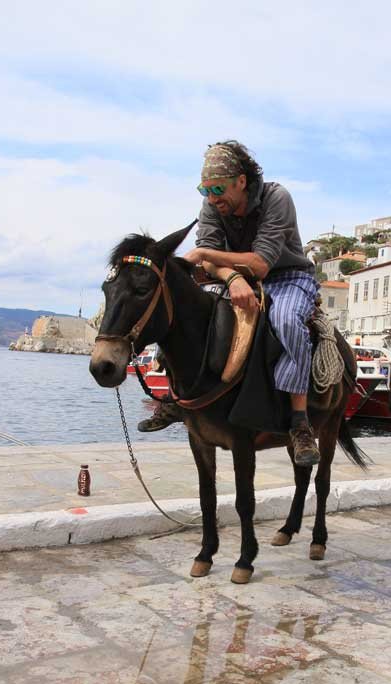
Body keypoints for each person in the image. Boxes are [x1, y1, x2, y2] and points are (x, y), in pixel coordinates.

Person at [140, 141, 320, 467]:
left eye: (218, 189)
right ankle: (178, 397)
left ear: (241, 180)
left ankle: (299, 421)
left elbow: (262, 263)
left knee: (287, 321)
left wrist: (209, 257)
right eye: (204, 190)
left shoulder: (277, 198)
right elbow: (207, 261)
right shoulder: (212, 206)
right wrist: (232, 278)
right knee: (184, 312)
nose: (212, 198)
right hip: (234, 278)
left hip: (287, 275)